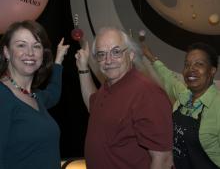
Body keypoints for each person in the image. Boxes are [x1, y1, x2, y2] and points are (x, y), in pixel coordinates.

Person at [75, 27, 174, 169]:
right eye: (102, 54)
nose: (108, 60)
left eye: (116, 52)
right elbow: (93, 106)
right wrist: (83, 68)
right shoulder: (110, 85)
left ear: (131, 55)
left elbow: (164, 159)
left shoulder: (147, 93)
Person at [0, 20, 69, 169]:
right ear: (6, 52)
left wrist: (59, 60)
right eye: (21, 45)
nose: (30, 53)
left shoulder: (35, 97)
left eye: (36, 46)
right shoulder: (3, 96)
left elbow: (54, 93)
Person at [142, 42, 220, 168]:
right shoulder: (184, 96)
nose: (191, 69)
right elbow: (168, 78)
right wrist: (151, 57)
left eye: (199, 64)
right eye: (187, 64)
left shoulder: (217, 106)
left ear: (212, 71)